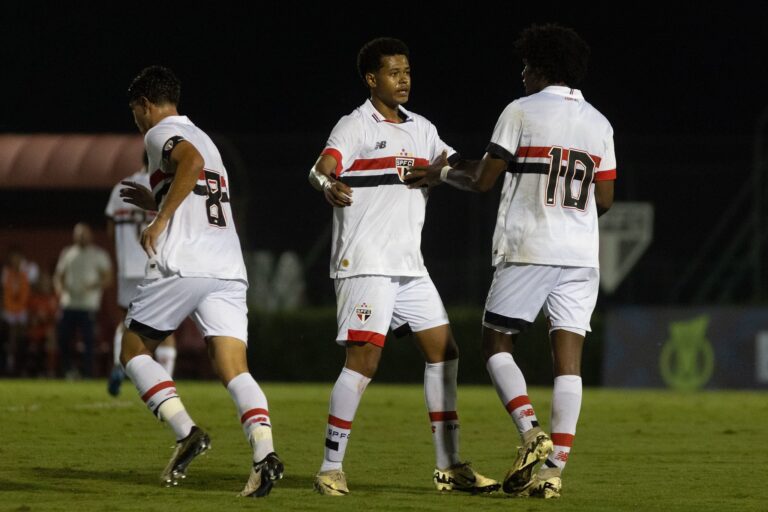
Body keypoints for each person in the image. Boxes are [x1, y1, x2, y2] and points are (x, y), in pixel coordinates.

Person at [405, 23, 615, 499]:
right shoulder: (599, 123)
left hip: (531, 246)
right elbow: (604, 197)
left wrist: (439, 173)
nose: (522, 74)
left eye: (526, 66)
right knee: (569, 363)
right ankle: (553, 473)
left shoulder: (520, 110)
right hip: (582, 254)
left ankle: (530, 431)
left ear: (541, 68)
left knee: (496, 343)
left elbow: (483, 179)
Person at [308, 37, 498, 496]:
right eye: (394, 73)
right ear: (372, 79)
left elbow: (459, 167)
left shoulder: (423, 130)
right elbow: (322, 167)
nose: (404, 79)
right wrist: (326, 184)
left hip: (410, 267)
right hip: (366, 264)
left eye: (407, 71)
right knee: (364, 361)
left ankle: (448, 466)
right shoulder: (354, 125)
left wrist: (486, 164)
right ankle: (330, 467)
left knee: (445, 351)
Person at [119, 65, 283, 497]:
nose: (136, 121)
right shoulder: (207, 138)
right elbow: (196, 174)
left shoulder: (159, 133)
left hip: (186, 263)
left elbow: (187, 163)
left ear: (146, 105)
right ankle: (265, 453)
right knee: (235, 369)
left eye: (135, 111)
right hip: (227, 267)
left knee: (133, 349)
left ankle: (185, 431)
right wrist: (156, 200)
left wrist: (160, 220)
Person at [104, 151, 177, 396]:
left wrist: (123, 255)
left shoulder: (120, 188)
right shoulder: (166, 186)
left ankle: (118, 366)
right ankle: (165, 381)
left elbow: (111, 229)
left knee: (127, 321)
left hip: (128, 266)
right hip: (158, 262)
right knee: (166, 326)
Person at [54, 223, 112, 378]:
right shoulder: (68, 253)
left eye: (84, 234)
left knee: (89, 342)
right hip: (68, 304)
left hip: (88, 306)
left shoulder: (98, 254)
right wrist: (60, 290)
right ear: (74, 236)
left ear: (90, 235)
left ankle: (88, 373)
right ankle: (67, 371)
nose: (81, 237)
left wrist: (94, 285)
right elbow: (59, 276)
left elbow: (108, 277)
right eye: (79, 234)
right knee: (64, 339)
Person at [2, 247, 30, 375]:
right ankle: (10, 361)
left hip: (22, 309)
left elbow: (27, 293)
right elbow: (3, 293)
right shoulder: (6, 273)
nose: (16, 261)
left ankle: (21, 362)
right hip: (8, 309)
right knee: (11, 333)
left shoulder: (26, 274)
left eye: (19, 258)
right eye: (14, 258)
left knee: (22, 335)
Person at [26, 272, 59, 377]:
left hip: (49, 328)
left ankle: (50, 370)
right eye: (42, 282)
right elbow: (28, 316)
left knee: (52, 334)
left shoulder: (54, 298)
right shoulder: (33, 298)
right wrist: (35, 319)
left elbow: (57, 317)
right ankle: (31, 370)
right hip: (35, 329)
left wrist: (46, 318)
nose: (44, 284)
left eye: (46, 282)